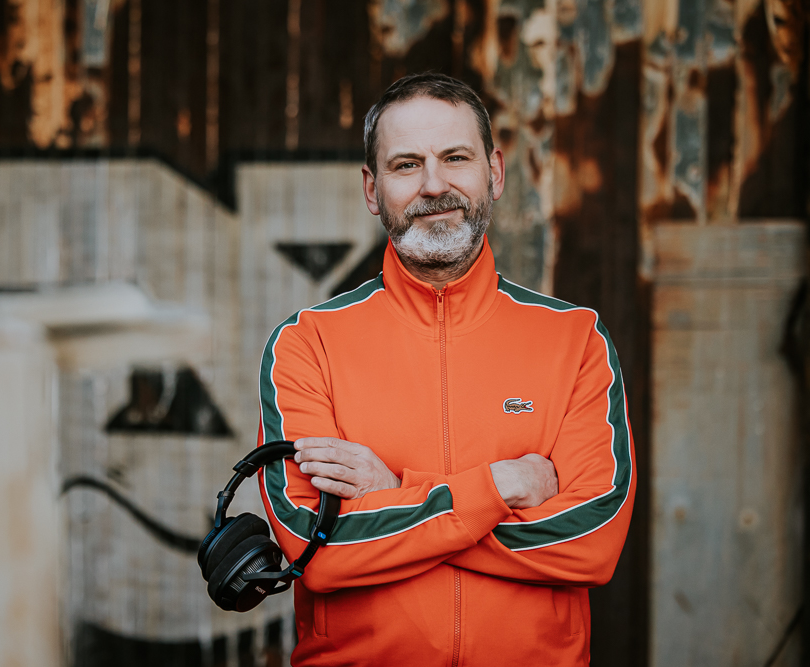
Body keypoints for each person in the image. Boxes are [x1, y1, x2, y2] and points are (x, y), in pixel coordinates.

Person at [257, 72, 635, 666]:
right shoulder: (307, 344)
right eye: (406, 165)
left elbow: (590, 543)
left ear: (495, 172)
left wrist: (393, 498)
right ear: (371, 189)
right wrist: (501, 488)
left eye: (455, 158)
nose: (434, 185)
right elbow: (316, 549)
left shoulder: (576, 339)